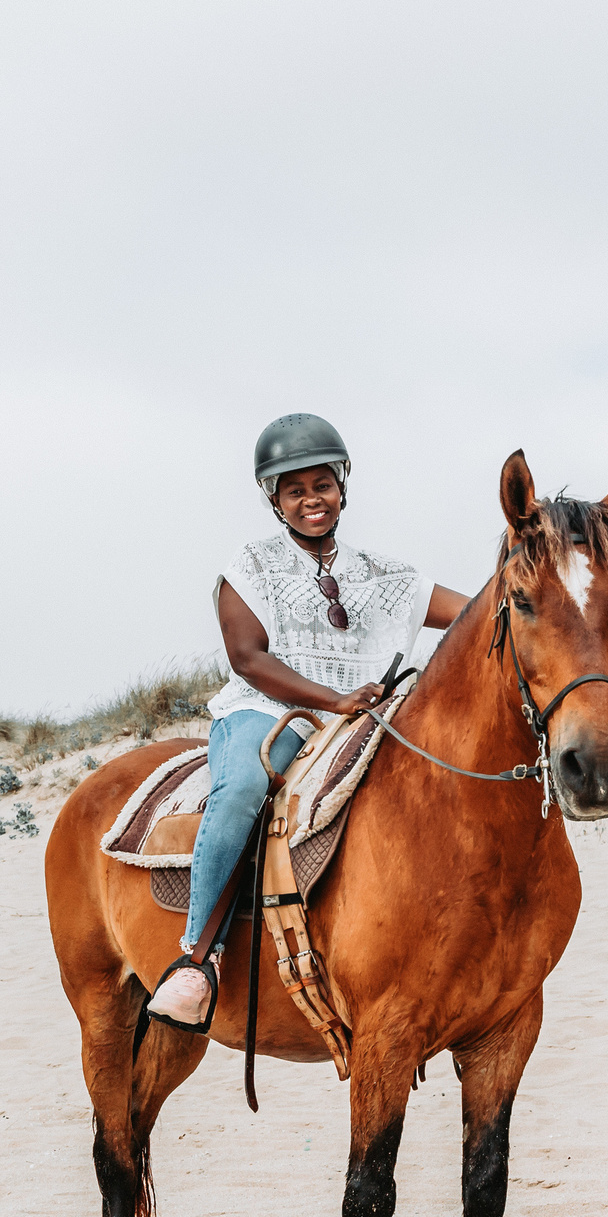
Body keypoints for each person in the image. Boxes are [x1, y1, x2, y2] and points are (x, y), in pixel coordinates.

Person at [147, 413, 470, 1032]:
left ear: (342, 487)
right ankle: (197, 959)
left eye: (321, 485)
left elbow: (480, 612)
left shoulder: (387, 574)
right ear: (274, 500)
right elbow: (249, 658)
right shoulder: (250, 566)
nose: (310, 500)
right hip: (271, 712)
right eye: (293, 490)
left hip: (367, 719)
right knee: (243, 787)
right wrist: (334, 698)